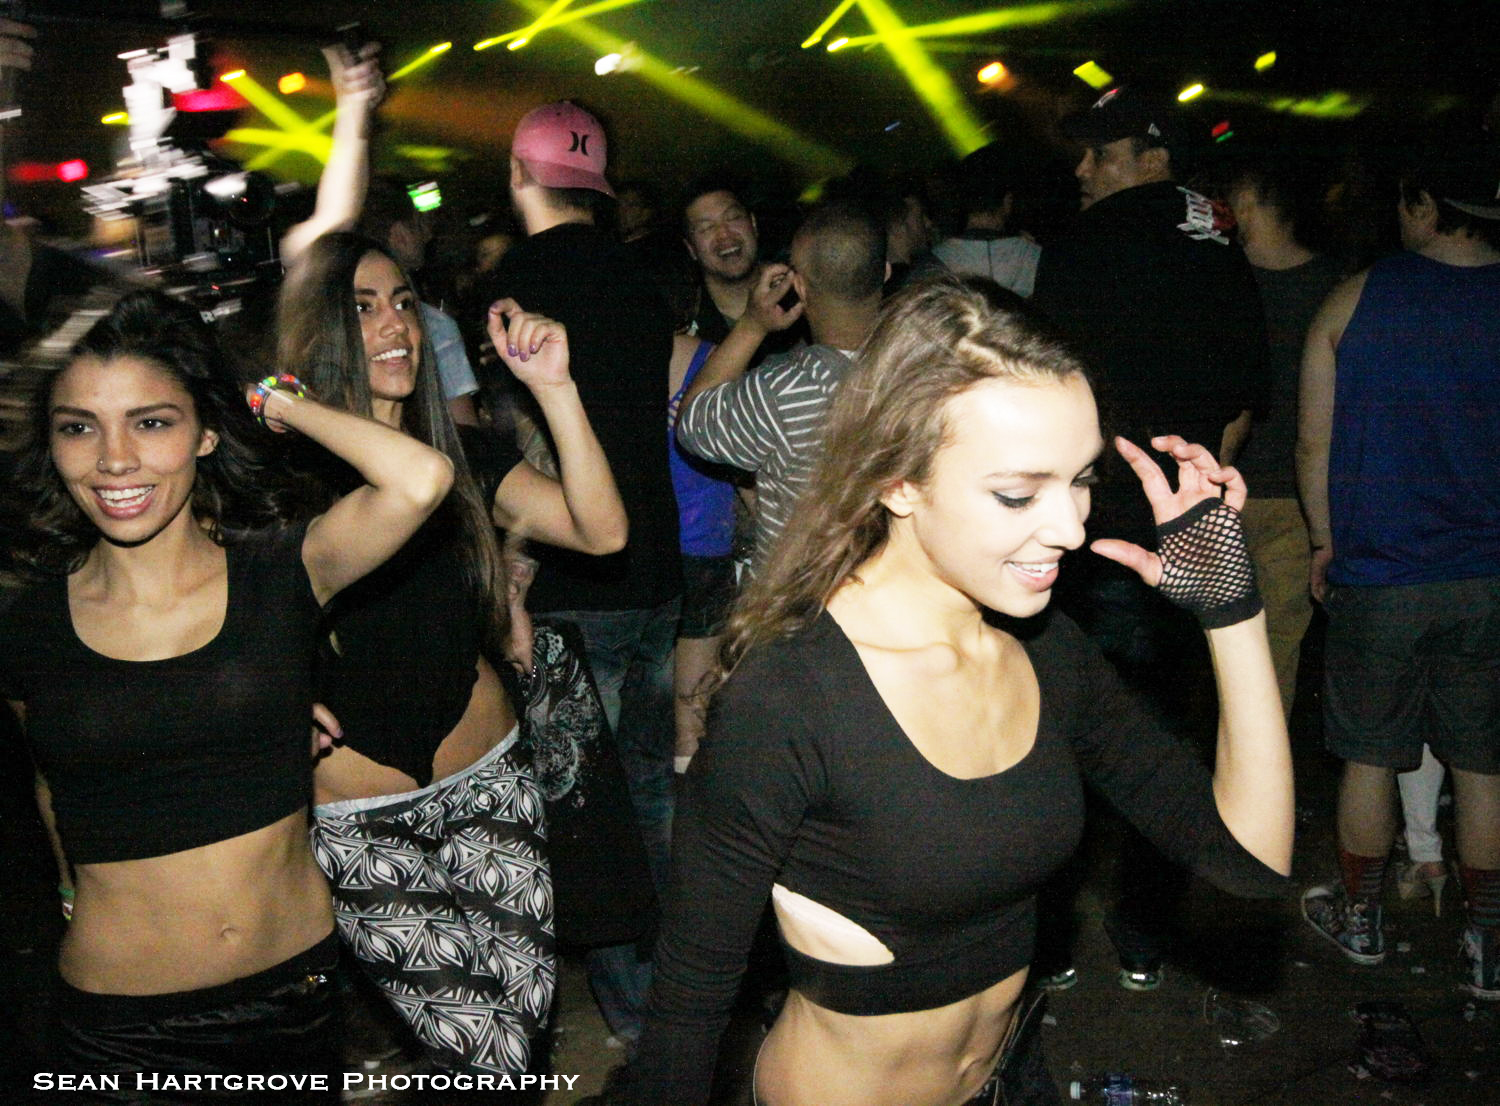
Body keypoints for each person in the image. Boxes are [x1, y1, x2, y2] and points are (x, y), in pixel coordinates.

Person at [618, 278, 1293, 1106]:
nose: (1071, 527)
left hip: (1010, 1079)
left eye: (1080, 479)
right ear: (898, 480)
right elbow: (688, 1005)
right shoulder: (789, 700)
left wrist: (1231, 609)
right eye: (1018, 493)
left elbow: (1250, 862)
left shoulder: (1045, 651)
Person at [0, 289, 455, 1098]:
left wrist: (276, 399)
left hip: (298, 997)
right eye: (78, 427)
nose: (114, 459)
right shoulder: (26, 620)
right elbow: (48, 781)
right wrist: (68, 892)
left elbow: (419, 478)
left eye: (151, 422)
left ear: (205, 432)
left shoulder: (279, 570)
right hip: (123, 1030)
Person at [277, 231, 627, 1073]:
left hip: (489, 783)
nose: (394, 324)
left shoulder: (462, 456)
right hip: (363, 822)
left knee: (522, 1029)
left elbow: (602, 530)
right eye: (362, 308)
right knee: (488, 1048)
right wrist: (284, 406)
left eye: (403, 302)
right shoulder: (281, 487)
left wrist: (556, 389)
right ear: (320, 331)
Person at [1030, 83, 1269, 989]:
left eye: (1100, 152)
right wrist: (1196, 504)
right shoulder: (1221, 243)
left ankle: (1048, 942)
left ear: (1153, 156)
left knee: (1056, 734)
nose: (1083, 170)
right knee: (1165, 743)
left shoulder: (1082, 246)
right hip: (1186, 537)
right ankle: (1142, 937)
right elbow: (1243, 405)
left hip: (1093, 540)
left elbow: (1047, 394)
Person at [1296, 129, 1500, 1000]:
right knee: (1484, 766)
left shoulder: (1355, 299)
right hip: (1489, 579)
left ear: (1424, 205)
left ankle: (1363, 919)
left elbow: (1313, 442)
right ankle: (1488, 947)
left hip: (1381, 574)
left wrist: (1323, 539)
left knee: (1371, 758)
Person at [675, 202, 886, 570]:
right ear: (884, 273)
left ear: (799, 286)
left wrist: (752, 325)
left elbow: (693, 424)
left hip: (802, 594)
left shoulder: (779, 392)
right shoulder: (928, 372)